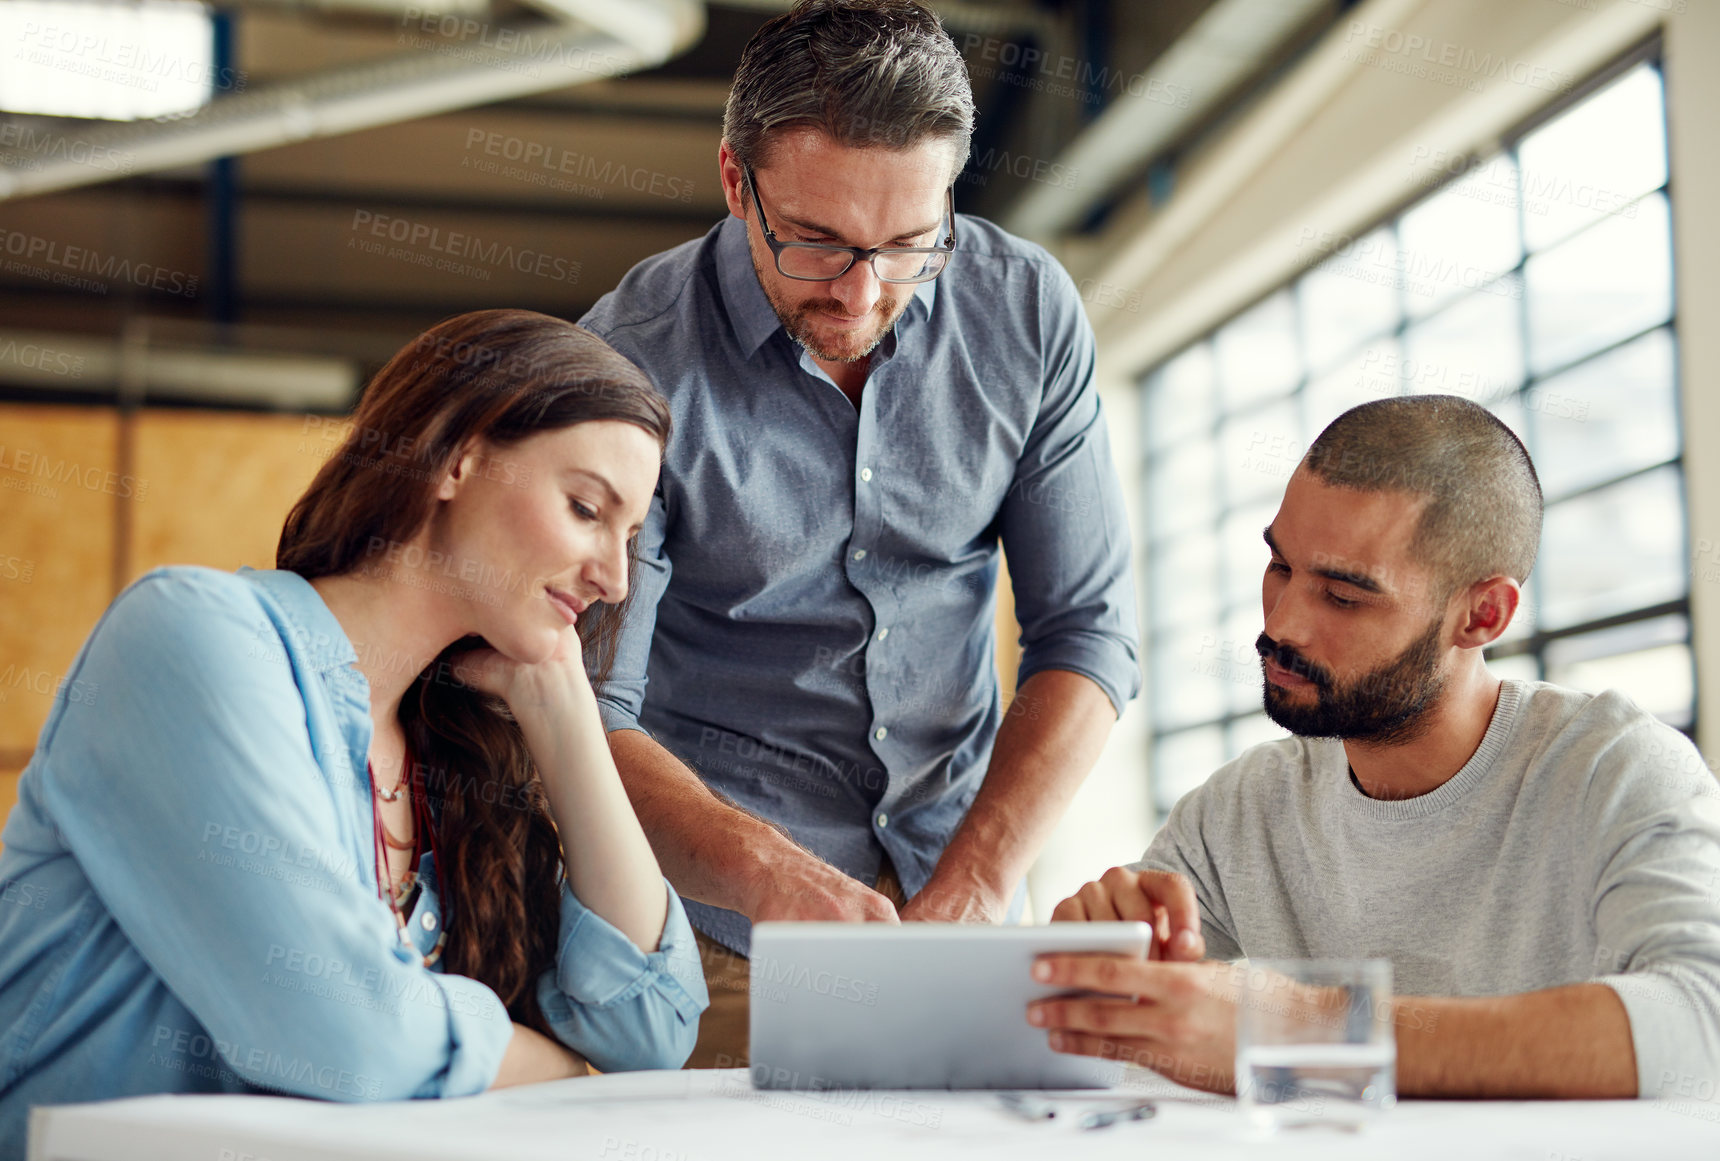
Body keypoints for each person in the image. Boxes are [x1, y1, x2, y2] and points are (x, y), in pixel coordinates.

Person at [577, 0, 1140, 1065]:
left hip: (959, 892)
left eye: (909, 245)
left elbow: (1087, 635)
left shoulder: (1025, 313)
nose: (864, 293)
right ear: (737, 183)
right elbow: (585, 713)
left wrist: (976, 883)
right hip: (719, 934)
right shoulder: (626, 366)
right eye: (820, 244)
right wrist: (768, 875)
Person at [0, 310, 709, 1156]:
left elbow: (652, 1029)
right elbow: (348, 1034)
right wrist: (551, 1067)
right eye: (587, 508)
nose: (616, 576)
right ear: (459, 457)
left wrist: (565, 718)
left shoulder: (452, 751)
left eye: (632, 536)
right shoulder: (190, 636)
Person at [1030, 394, 1720, 1100]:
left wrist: (1307, 1028)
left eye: (1343, 596)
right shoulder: (1241, 809)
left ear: (1482, 615)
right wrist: (1099, 955)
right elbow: (1113, 1010)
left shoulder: (1617, 769)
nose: (1284, 623)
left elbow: (1704, 1016)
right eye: (1280, 566)